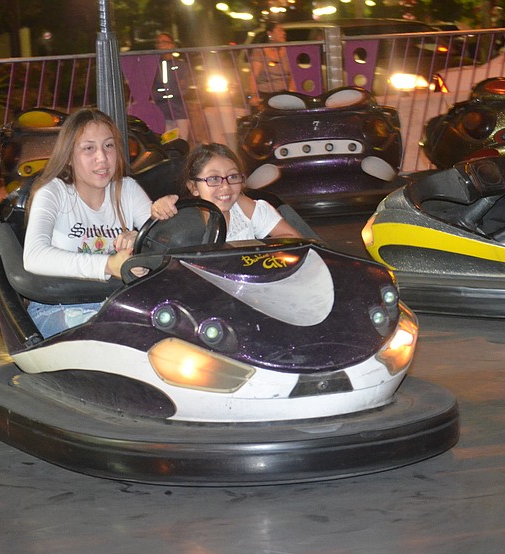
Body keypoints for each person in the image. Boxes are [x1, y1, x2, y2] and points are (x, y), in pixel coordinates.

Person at [23, 108, 171, 338]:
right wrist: (110, 265)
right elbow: (34, 256)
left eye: (109, 146)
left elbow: (167, 245)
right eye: (89, 148)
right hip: (58, 308)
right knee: (117, 334)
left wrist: (142, 241)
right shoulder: (53, 192)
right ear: (69, 156)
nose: (102, 158)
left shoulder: (127, 189)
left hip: (119, 304)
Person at [154, 142, 300, 242]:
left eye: (233, 176)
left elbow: (294, 239)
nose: (225, 186)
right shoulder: (184, 219)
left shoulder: (244, 208)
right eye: (214, 178)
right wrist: (159, 209)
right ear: (194, 187)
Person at [248, 22, 296, 109]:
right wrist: (253, 96)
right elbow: (253, 76)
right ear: (270, 34)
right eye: (280, 30)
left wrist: (291, 93)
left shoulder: (288, 51)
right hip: (266, 95)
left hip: (284, 94)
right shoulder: (260, 51)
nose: (284, 33)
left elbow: (294, 75)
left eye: (283, 30)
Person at [152, 32, 190, 140]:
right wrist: (162, 95)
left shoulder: (181, 66)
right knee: (165, 143)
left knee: (181, 142)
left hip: (179, 113)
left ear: (172, 45)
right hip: (161, 113)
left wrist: (169, 93)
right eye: (158, 43)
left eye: (165, 42)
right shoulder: (153, 67)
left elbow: (184, 89)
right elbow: (151, 89)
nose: (161, 45)